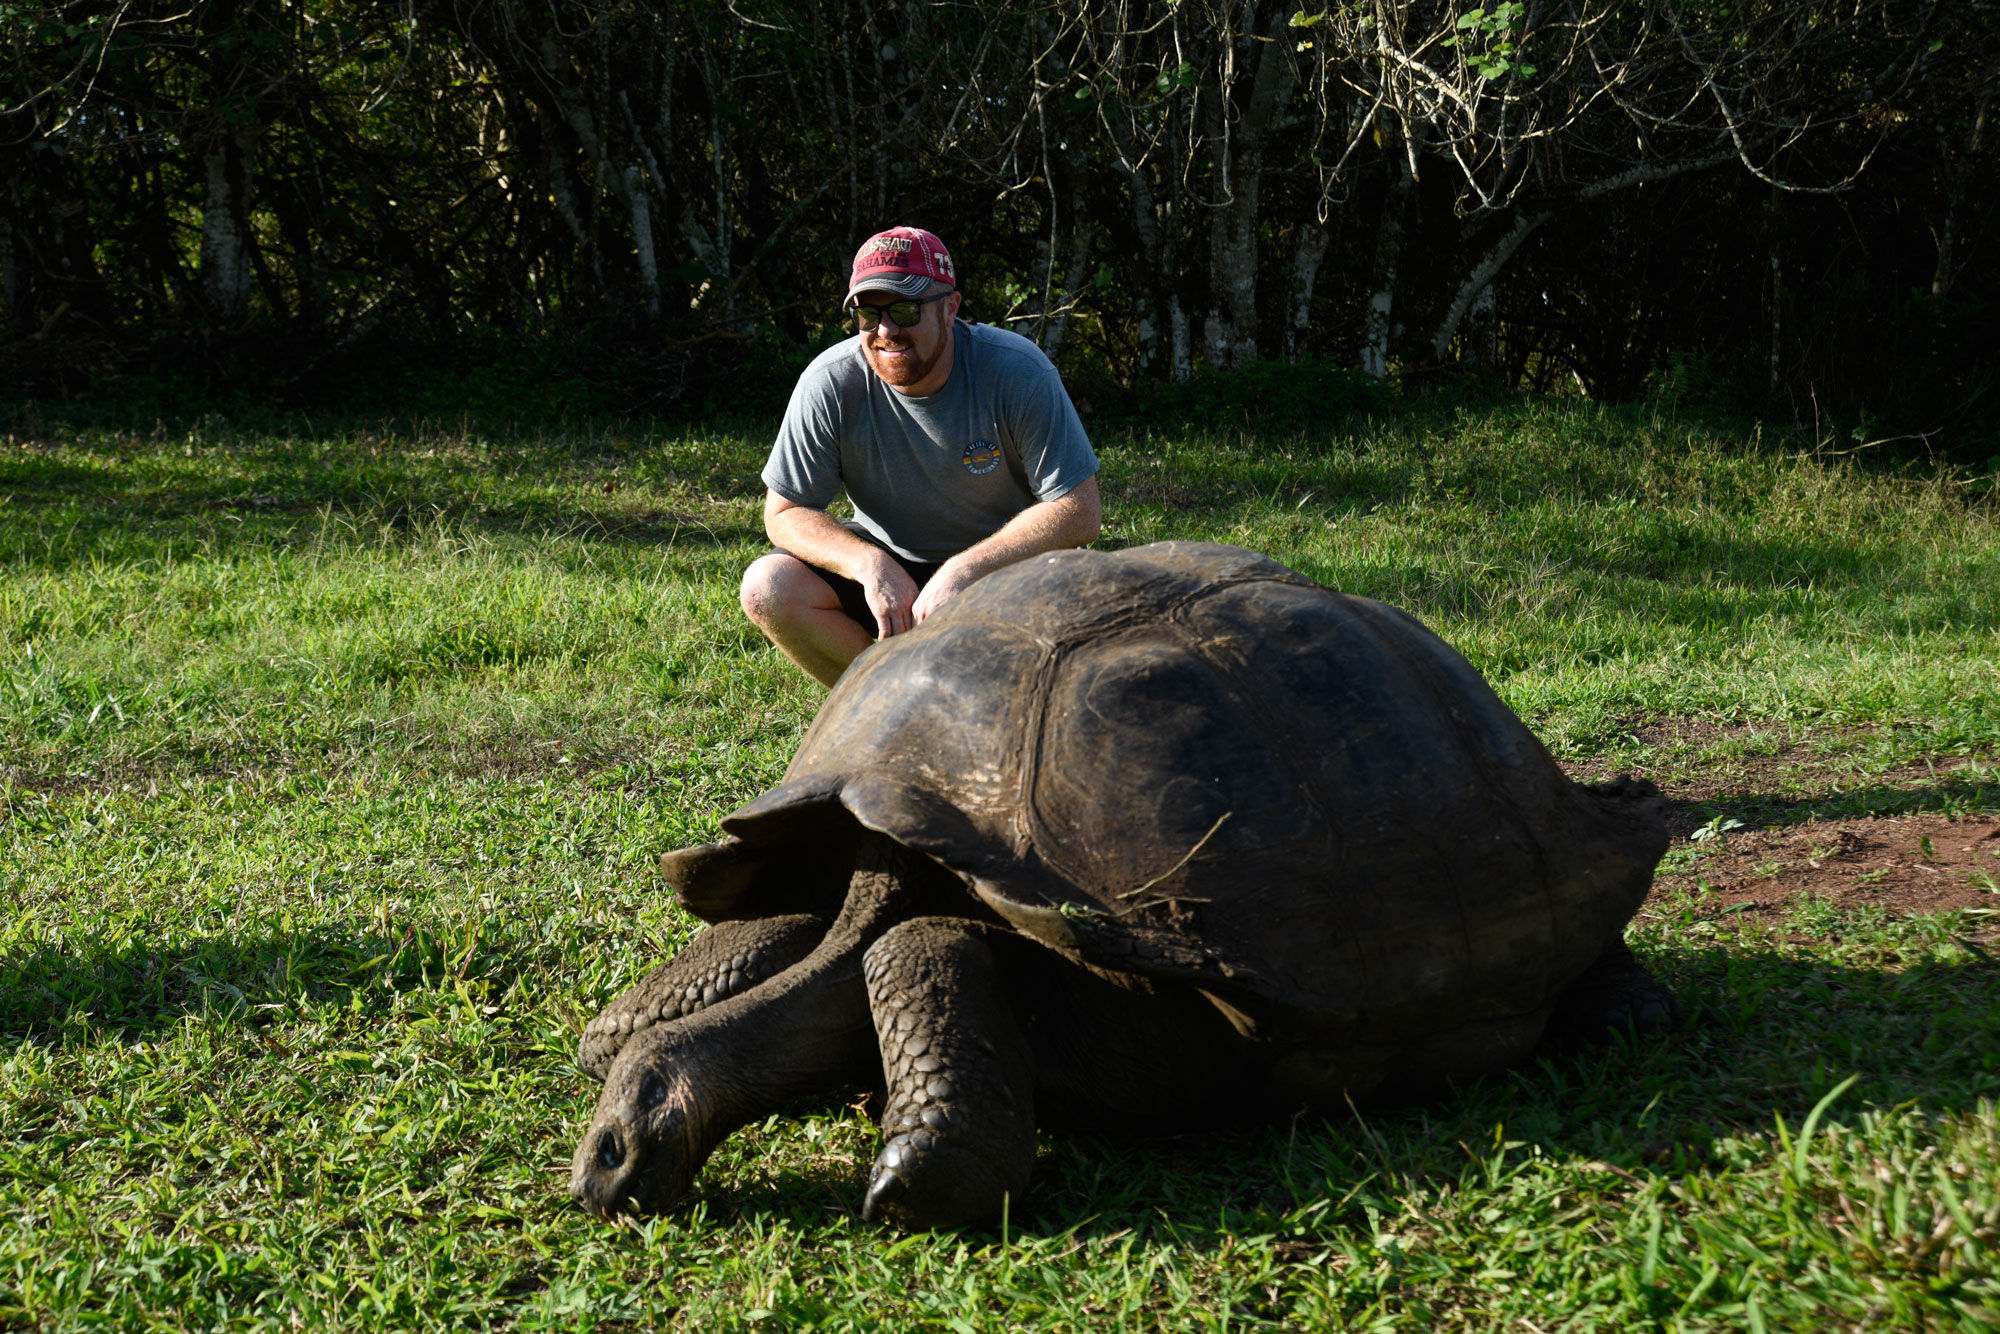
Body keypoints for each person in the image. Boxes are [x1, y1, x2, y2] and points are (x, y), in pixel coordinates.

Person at [740, 227, 1102, 685]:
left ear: (950, 309)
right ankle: (889, 701)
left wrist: (967, 569)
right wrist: (870, 565)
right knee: (768, 588)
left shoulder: (1017, 371)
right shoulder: (830, 382)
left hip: (1003, 566)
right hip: (891, 566)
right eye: (869, 314)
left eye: (906, 309)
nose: (886, 330)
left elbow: (1080, 510)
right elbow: (785, 512)